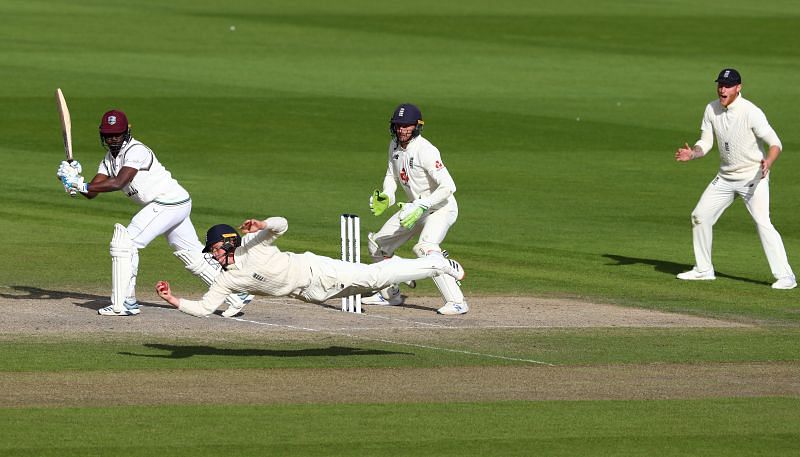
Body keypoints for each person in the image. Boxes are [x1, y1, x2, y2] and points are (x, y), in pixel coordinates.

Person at [57, 109, 252, 316]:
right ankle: (236, 292)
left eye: (117, 133)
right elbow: (92, 192)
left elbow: (119, 182)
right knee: (191, 255)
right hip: (173, 204)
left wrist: (81, 184)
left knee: (125, 243)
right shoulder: (108, 159)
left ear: (126, 132)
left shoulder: (136, 151)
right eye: (108, 134)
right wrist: (74, 180)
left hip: (168, 202)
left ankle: (124, 303)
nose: (113, 139)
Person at [154, 217, 465, 317]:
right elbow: (206, 309)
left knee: (375, 276)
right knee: (375, 283)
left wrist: (262, 223)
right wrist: (173, 299)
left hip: (318, 271)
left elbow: (282, 225)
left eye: (214, 249)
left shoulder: (252, 244)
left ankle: (436, 264)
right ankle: (410, 268)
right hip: (313, 293)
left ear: (228, 242)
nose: (213, 255)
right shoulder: (226, 280)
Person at [674, 68, 795, 289]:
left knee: (762, 222)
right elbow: (706, 142)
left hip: (753, 176)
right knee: (699, 216)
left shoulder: (751, 111)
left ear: (738, 88)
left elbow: (775, 143)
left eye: (728, 85)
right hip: (726, 177)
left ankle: (786, 276)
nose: (723, 89)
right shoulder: (711, 109)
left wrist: (768, 162)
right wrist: (693, 154)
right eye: (720, 84)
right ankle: (703, 270)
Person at [365, 103, 468, 315]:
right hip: (415, 209)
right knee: (377, 244)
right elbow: (391, 175)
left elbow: (449, 186)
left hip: (440, 208)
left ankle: (457, 302)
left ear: (417, 126)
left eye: (407, 126)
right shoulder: (394, 146)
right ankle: (390, 294)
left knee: (425, 248)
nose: (402, 130)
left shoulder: (426, 151)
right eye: (398, 125)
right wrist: (388, 194)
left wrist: (424, 203)